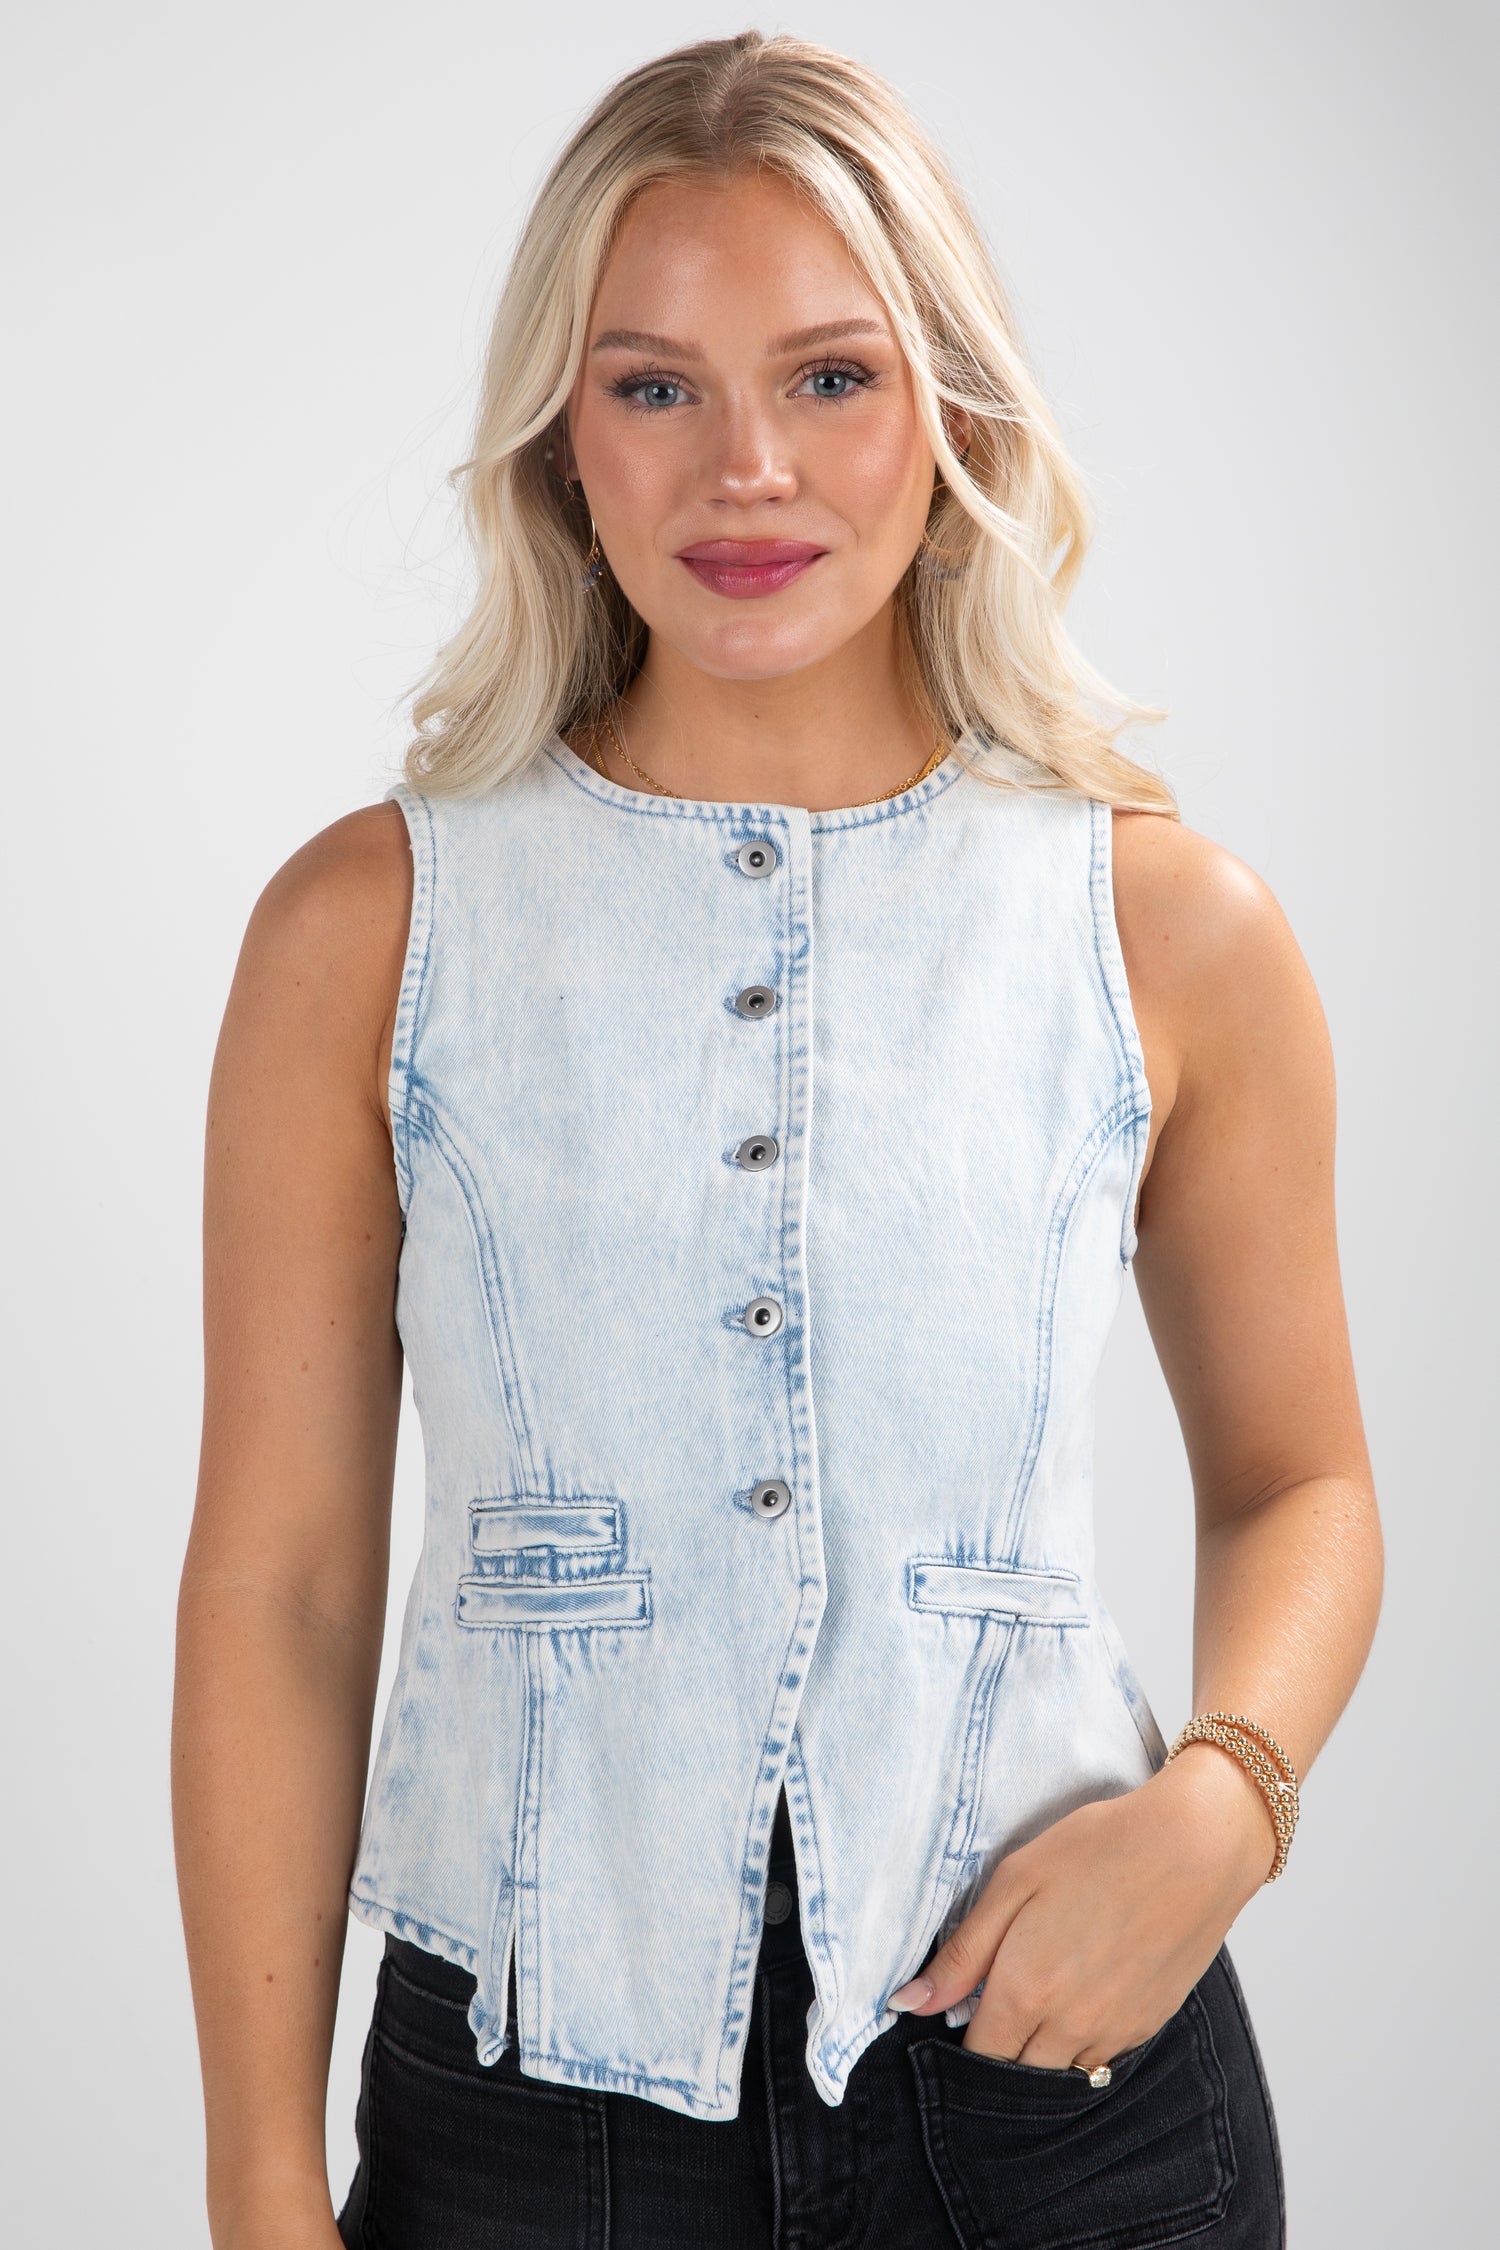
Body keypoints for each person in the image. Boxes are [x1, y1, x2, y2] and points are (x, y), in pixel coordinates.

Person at [172, 30, 1382, 2250]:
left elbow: (1304, 1476)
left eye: (830, 378)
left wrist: (1227, 1810)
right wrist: (259, 2168)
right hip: (533, 2128)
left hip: (1072, 2095)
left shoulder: (1164, 924)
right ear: (562, 441)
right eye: (654, 386)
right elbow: (284, 1583)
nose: (747, 469)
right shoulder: (372, 926)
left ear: (952, 413)